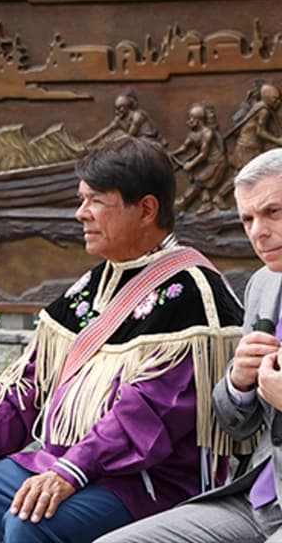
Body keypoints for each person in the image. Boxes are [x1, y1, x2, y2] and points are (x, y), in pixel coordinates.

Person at [0, 136, 243, 543]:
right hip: (60, 463)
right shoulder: (90, 287)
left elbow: (146, 416)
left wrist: (72, 470)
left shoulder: (192, 294)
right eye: (81, 200)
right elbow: (27, 385)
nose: (81, 214)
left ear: (146, 209)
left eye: (96, 201)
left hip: (144, 484)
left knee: (32, 524)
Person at [94, 147, 282, 543]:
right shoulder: (264, 286)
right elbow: (236, 424)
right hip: (258, 499)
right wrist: (239, 384)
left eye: (274, 212)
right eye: (247, 218)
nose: (258, 232)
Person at [172, 102, 229, 213]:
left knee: (199, 181)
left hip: (217, 163)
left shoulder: (208, 133)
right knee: (198, 179)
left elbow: (204, 154)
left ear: (199, 120)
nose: (189, 122)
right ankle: (206, 203)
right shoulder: (192, 134)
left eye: (191, 119)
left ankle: (183, 202)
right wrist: (173, 153)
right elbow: (184, 147)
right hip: (207, 163)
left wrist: (191, 164)